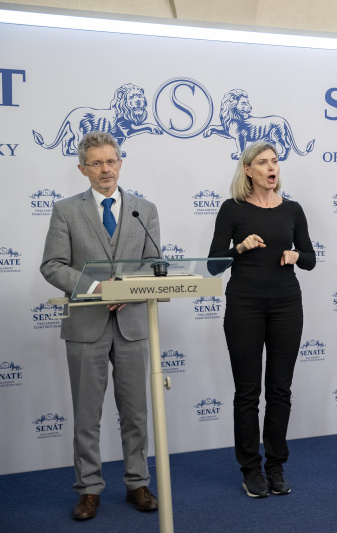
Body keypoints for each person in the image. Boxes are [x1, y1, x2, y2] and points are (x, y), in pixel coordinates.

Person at [40, 131, 160, 520]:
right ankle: (89, 490)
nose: (105, 169)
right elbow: (52, 265)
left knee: (136, 413)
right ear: (83, 169)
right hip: (85, 325)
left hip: (132, 324)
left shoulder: (145, 209)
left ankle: (138, 483)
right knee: (87, 416)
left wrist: (126, 287)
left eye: (111, 161)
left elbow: (153, 263)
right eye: (96, 163)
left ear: (120, 163)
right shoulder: (65, 210)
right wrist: (96, 288)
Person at [208, 141, 315, 498]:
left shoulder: (293, 209)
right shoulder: (232, 209)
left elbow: (310, 258)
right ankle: (251, 469)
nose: (272, 167)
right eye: (263, 162)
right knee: (248, 392)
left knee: (280, 390)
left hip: (286, 305)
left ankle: (275, 465)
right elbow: (213, 264)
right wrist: (239, 248)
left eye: (275, 161)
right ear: (248, 170)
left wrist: (295, 255)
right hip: (245, 305)